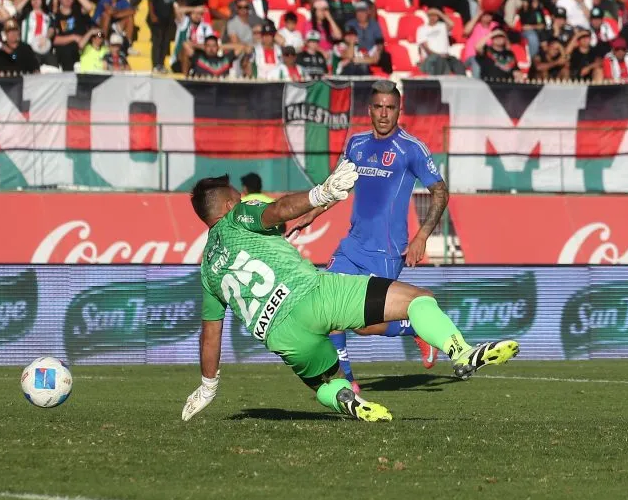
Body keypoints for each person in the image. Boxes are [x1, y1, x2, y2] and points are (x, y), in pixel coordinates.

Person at [182, 161, 519, 422]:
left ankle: (349, 401)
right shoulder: (240, 215)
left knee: (328, 382)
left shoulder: (207, 269)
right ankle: (460, 351)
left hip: (282, 336)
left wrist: (208, 386)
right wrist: (321, 194)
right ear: (229, 205)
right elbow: (279, 210)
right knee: (418, 299)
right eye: (239, 199)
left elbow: (210, 334)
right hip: (313, 295)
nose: (245, 201)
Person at [293, 80, 447, 393]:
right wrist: (312, 212)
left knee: (363, 326)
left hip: (386, 252)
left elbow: (440, 192)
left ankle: (415, 326)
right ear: (369, 110)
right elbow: (337, 185)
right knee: (327, 307)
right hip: (352, 246)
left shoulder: (411, 149)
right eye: (378, 107)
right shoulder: (356, 144)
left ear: (399, 110)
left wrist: (422, 236)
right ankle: (347, 381)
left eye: (390, 108)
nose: (384, 113)